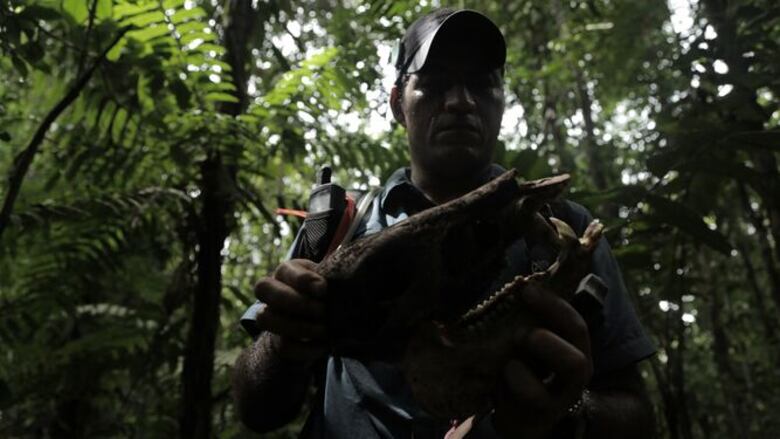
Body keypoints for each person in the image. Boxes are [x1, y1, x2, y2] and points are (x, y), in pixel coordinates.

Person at [232, 8, 656, 438]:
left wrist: (567, 414)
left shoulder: (560, 229)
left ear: (501, 100)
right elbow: (256, 409)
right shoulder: (342, 226)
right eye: (434, 84)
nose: (459, 101)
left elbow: (635, 412)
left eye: (481, 83)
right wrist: (283, 339)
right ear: (398, 103)